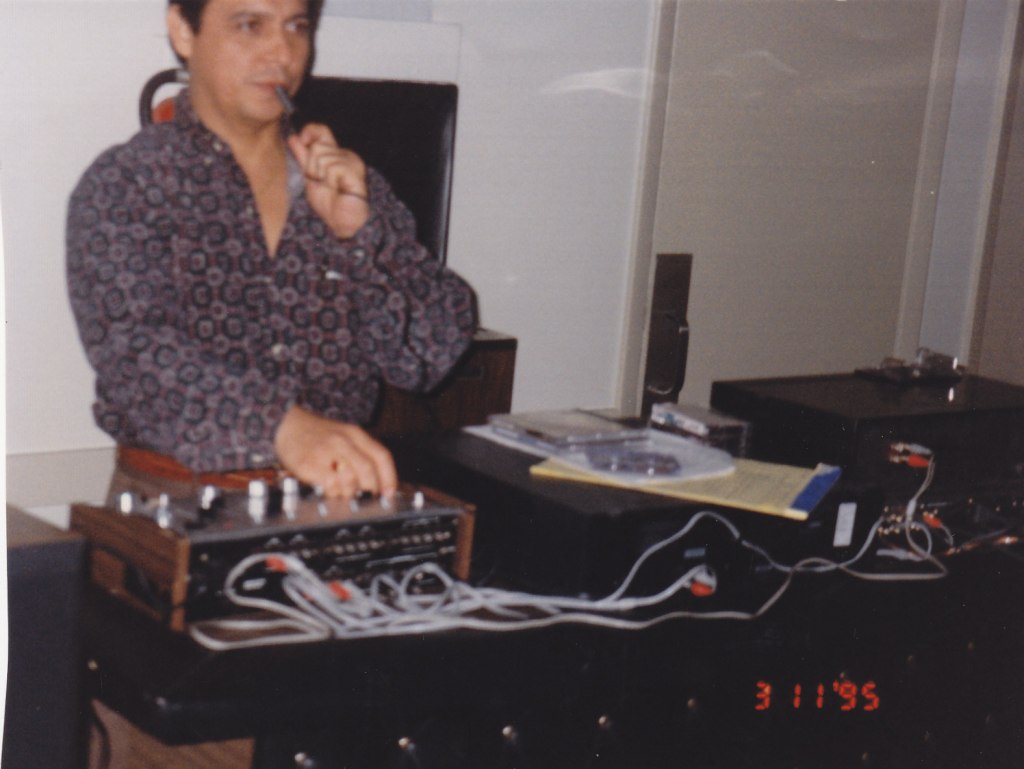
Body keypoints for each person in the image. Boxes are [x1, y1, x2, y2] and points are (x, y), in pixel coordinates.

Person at [66, 0, 476, 500]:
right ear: (183, 31)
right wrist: (280, 426)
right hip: (173, 498)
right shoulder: (127, 182)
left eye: (296, 26)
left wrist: (362, 235)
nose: (282, 52)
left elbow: (430, 356)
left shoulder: (344, 180)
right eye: (249, 25)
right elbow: (134, 355)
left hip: (331, 496)